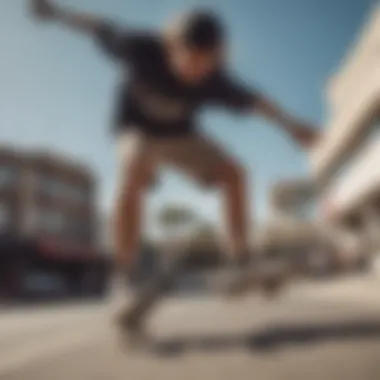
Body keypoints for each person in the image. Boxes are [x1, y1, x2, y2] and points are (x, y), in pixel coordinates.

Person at [31, 0, 319, 338]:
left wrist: (293, 125)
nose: (196, 70)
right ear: (172, 45)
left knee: (235, 173)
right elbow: (96, 26)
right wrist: (56, 13)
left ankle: (242, 261)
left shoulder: (216, 80)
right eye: (190, 60)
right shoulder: (138, 47)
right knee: (134, 164)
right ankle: (125, 277)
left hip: (182, 137)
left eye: (206, 62)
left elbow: (258, 103)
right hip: (134, 130)